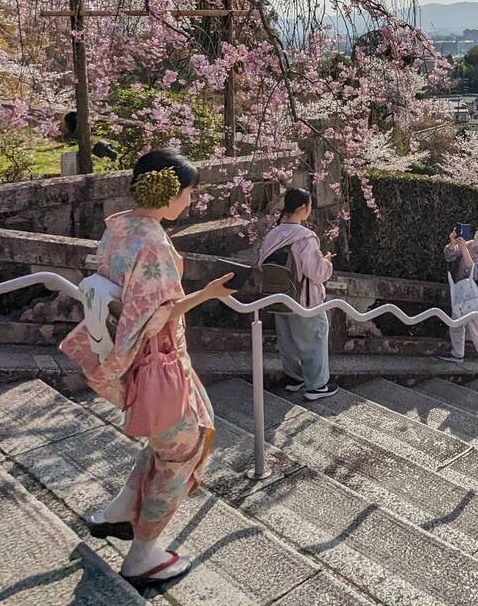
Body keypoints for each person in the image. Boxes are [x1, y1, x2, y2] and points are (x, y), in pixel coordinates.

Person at [61, 150, 235, 589]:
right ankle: (143, 554)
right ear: (169, 191)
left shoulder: (120, 228)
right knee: (185, 447)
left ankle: (119, 511)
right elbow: (157, 312)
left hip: (137, 356)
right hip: (158, 359)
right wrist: (208, 294)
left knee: (174, 438)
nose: (191, 202)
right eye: (189, 193)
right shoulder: (153, 244)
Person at [258, 186, 338, 400]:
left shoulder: (273, 234)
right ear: (303, 208)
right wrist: (327, 262)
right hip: (304, 301)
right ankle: (317, 386)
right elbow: (317, 273)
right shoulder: (305, 237)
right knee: (314, 339)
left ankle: (293, 378)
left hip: (278, 298)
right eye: (310, 206)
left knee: (288, 342)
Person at [435, 221, 478, 394]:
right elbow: (449, 256)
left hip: (477, 295)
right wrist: (452, 243)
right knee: (455, 322)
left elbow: (475, 271)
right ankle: (457, 353)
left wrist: (464, 247)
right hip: (460, 289)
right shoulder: (470, 244)